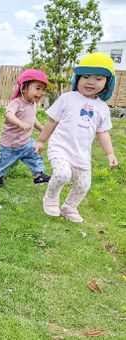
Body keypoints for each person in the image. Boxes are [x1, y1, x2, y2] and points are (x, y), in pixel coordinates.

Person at [34, 53, 119, 223]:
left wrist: (110, 154)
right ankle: (51, 198)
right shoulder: (67, 99)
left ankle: (69, 207)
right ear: (77, 79)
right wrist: (41, 140)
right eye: (86, 77)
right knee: (63, 174)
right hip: (60, 147)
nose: (91, 82)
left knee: (83, 184)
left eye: (98, 78)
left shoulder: (102, 108)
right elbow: (52, 121)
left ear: (107, 84)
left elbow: (103, 133)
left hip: (81, 154)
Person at [0, 69, 53, 187]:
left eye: (43, 90)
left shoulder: (33, 105)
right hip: (10, 144)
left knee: (35, 156)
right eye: (38, 88)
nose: (41, 93)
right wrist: (20, 123)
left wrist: (40, 127)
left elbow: (32, 118)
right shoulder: (16, 103)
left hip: (26, 143)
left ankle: (39, 175)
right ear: (24, 89)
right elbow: (8, 114)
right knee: (4, 163)